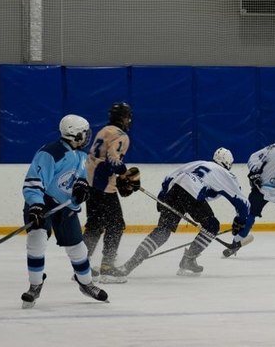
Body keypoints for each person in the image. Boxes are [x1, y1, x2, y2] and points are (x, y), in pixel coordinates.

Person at [20, 114, 108, 308]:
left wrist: (81, 187)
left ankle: (85, 284)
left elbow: (80, 177)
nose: (87, 137)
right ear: (75, 135)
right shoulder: (51, 153)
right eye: (84, 133)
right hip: (42, 205)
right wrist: (35, 205)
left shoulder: (81, 155)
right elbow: (33, 183)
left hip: (65, 208)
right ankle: (35, 285)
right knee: (36, 241)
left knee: (78, 249)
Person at [118, 147, 248, 276]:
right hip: (193, 191)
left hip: (175, 190)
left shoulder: (199, 163)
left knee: (163, 230)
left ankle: (129, 264)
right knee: (212, 226)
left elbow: (169, 177)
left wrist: (162, 196)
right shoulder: (226, 174)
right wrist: (240, 221)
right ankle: (188, 260)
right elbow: (242, 202)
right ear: (229, 164)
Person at [82, 102, 138, 284]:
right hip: (103, 185)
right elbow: (113, 161)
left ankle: (80, 267)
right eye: (127, 116)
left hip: (89, 183)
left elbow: (99, 156)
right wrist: (125, 174)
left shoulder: (104, 130)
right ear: (123, 118)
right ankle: (107, 267)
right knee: (116, 224)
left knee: (95, 225)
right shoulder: (121, 136)